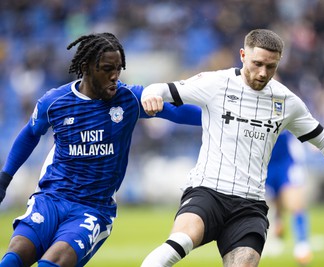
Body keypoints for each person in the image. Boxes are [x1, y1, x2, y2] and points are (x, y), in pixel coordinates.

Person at [140, 29, 324, 267]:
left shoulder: (286, 102)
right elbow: (162, 89)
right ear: (243, 55)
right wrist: (150, 95)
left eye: (271, 67)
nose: (263, 73)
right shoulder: (215, 83)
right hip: (208, 191)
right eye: (257, 63)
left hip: (249, 204)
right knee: (179, 243)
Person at [0, 32, 201, 267]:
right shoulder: (55, 102)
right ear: (86, 67)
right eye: (107, 69)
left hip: (92, 209)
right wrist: (5, 178)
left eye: (118, 68)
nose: (115, 76)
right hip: (51, 198)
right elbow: (29, 134)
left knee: (52, 262)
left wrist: (220, 118)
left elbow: (178, 112)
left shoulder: (129, 99)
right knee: (14, 257)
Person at [264, 130, 312, 265]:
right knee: (273, 203)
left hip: (286, 162)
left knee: (295, 202)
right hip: (265, 162)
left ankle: (302, 245)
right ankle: (277, 231)